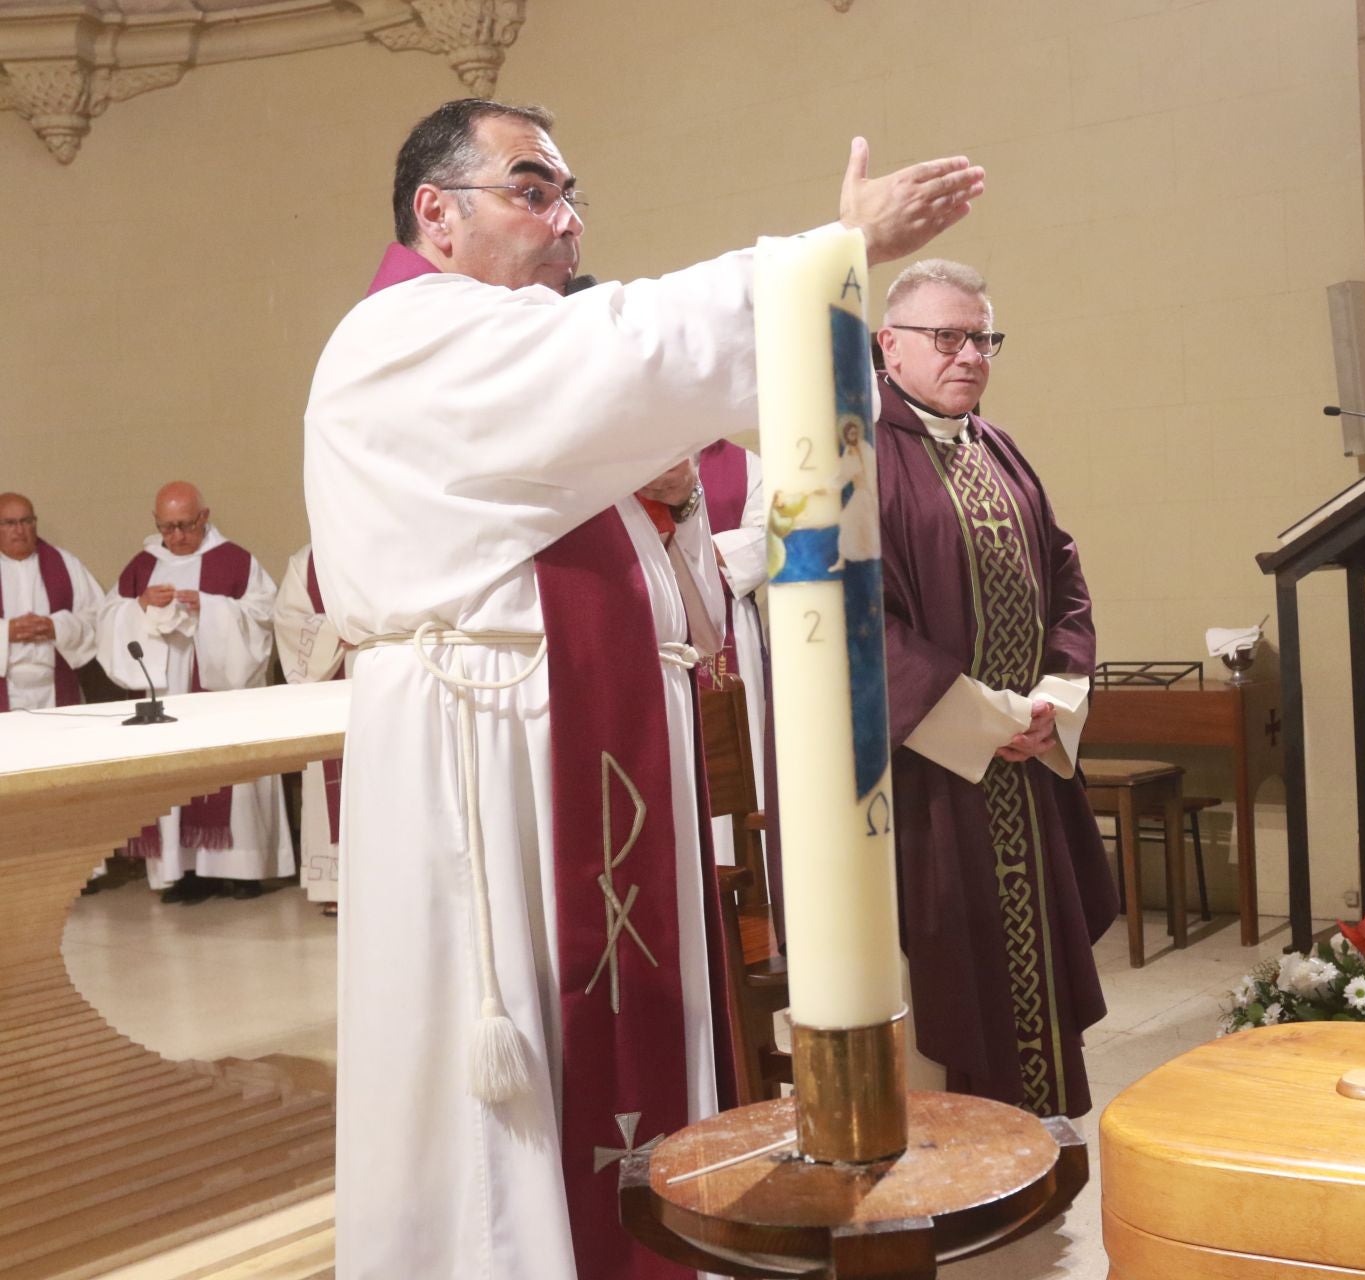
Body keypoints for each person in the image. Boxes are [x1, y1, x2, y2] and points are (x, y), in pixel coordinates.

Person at [303, 97, 981, 1279]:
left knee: (602, 1060)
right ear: (436, 213)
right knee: (501, 1099)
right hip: (485, 760)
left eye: (571, 196)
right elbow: (629, 344)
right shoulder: (402, 334)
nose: (566, 220)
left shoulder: (509, 348)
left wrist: (671, 514)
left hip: (583, 737)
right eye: (533, 190)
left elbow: (685, 594)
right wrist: (831, 253)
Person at [872, 258, 1118, 1119]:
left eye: (983, 338)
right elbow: (860, 623)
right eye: (947, 337)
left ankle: (1040, 1139)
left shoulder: (998, 447)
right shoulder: (857, 457)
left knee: (1034, 972)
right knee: (957, 980)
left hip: (1025, 763)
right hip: (937, 780)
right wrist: (985, 723)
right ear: (889, 345)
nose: (970, 355)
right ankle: (971, 1151)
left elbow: (1065, 578)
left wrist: (1055, 701)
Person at [97, 482, 291, 903]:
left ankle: (242, 871)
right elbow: (107, 617)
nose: (176, 536)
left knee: (232, 777)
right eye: (166, 527)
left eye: (185, 525)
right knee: (174, 774)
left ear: (204, 517)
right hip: (167, 688)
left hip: (221, 691)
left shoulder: (236, 560)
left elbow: (263, 616)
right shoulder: (143, 564)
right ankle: (185, 870)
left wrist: (212, 608)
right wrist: (139, 606)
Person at [696, 440, 774, 869]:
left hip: (730, 629)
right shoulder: (633, 456)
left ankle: (745, 870)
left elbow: (773, 535)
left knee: (740, 754)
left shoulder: (748, 466)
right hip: (653, 630)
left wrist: (681, 553)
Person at [272, 543, 345, 915]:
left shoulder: (393, 541)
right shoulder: (306, 563)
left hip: (386, 681)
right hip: (332, 686)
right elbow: (288, 620)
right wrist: (339, 631)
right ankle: (336, 885)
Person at [0, 492, 104, 712]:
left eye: (26, 521)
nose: (19, 530)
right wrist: (6, 631)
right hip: (7, 687)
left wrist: (57, 627)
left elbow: (98, 617)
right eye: (9, 523)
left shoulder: (66, 564)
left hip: (55, 687)